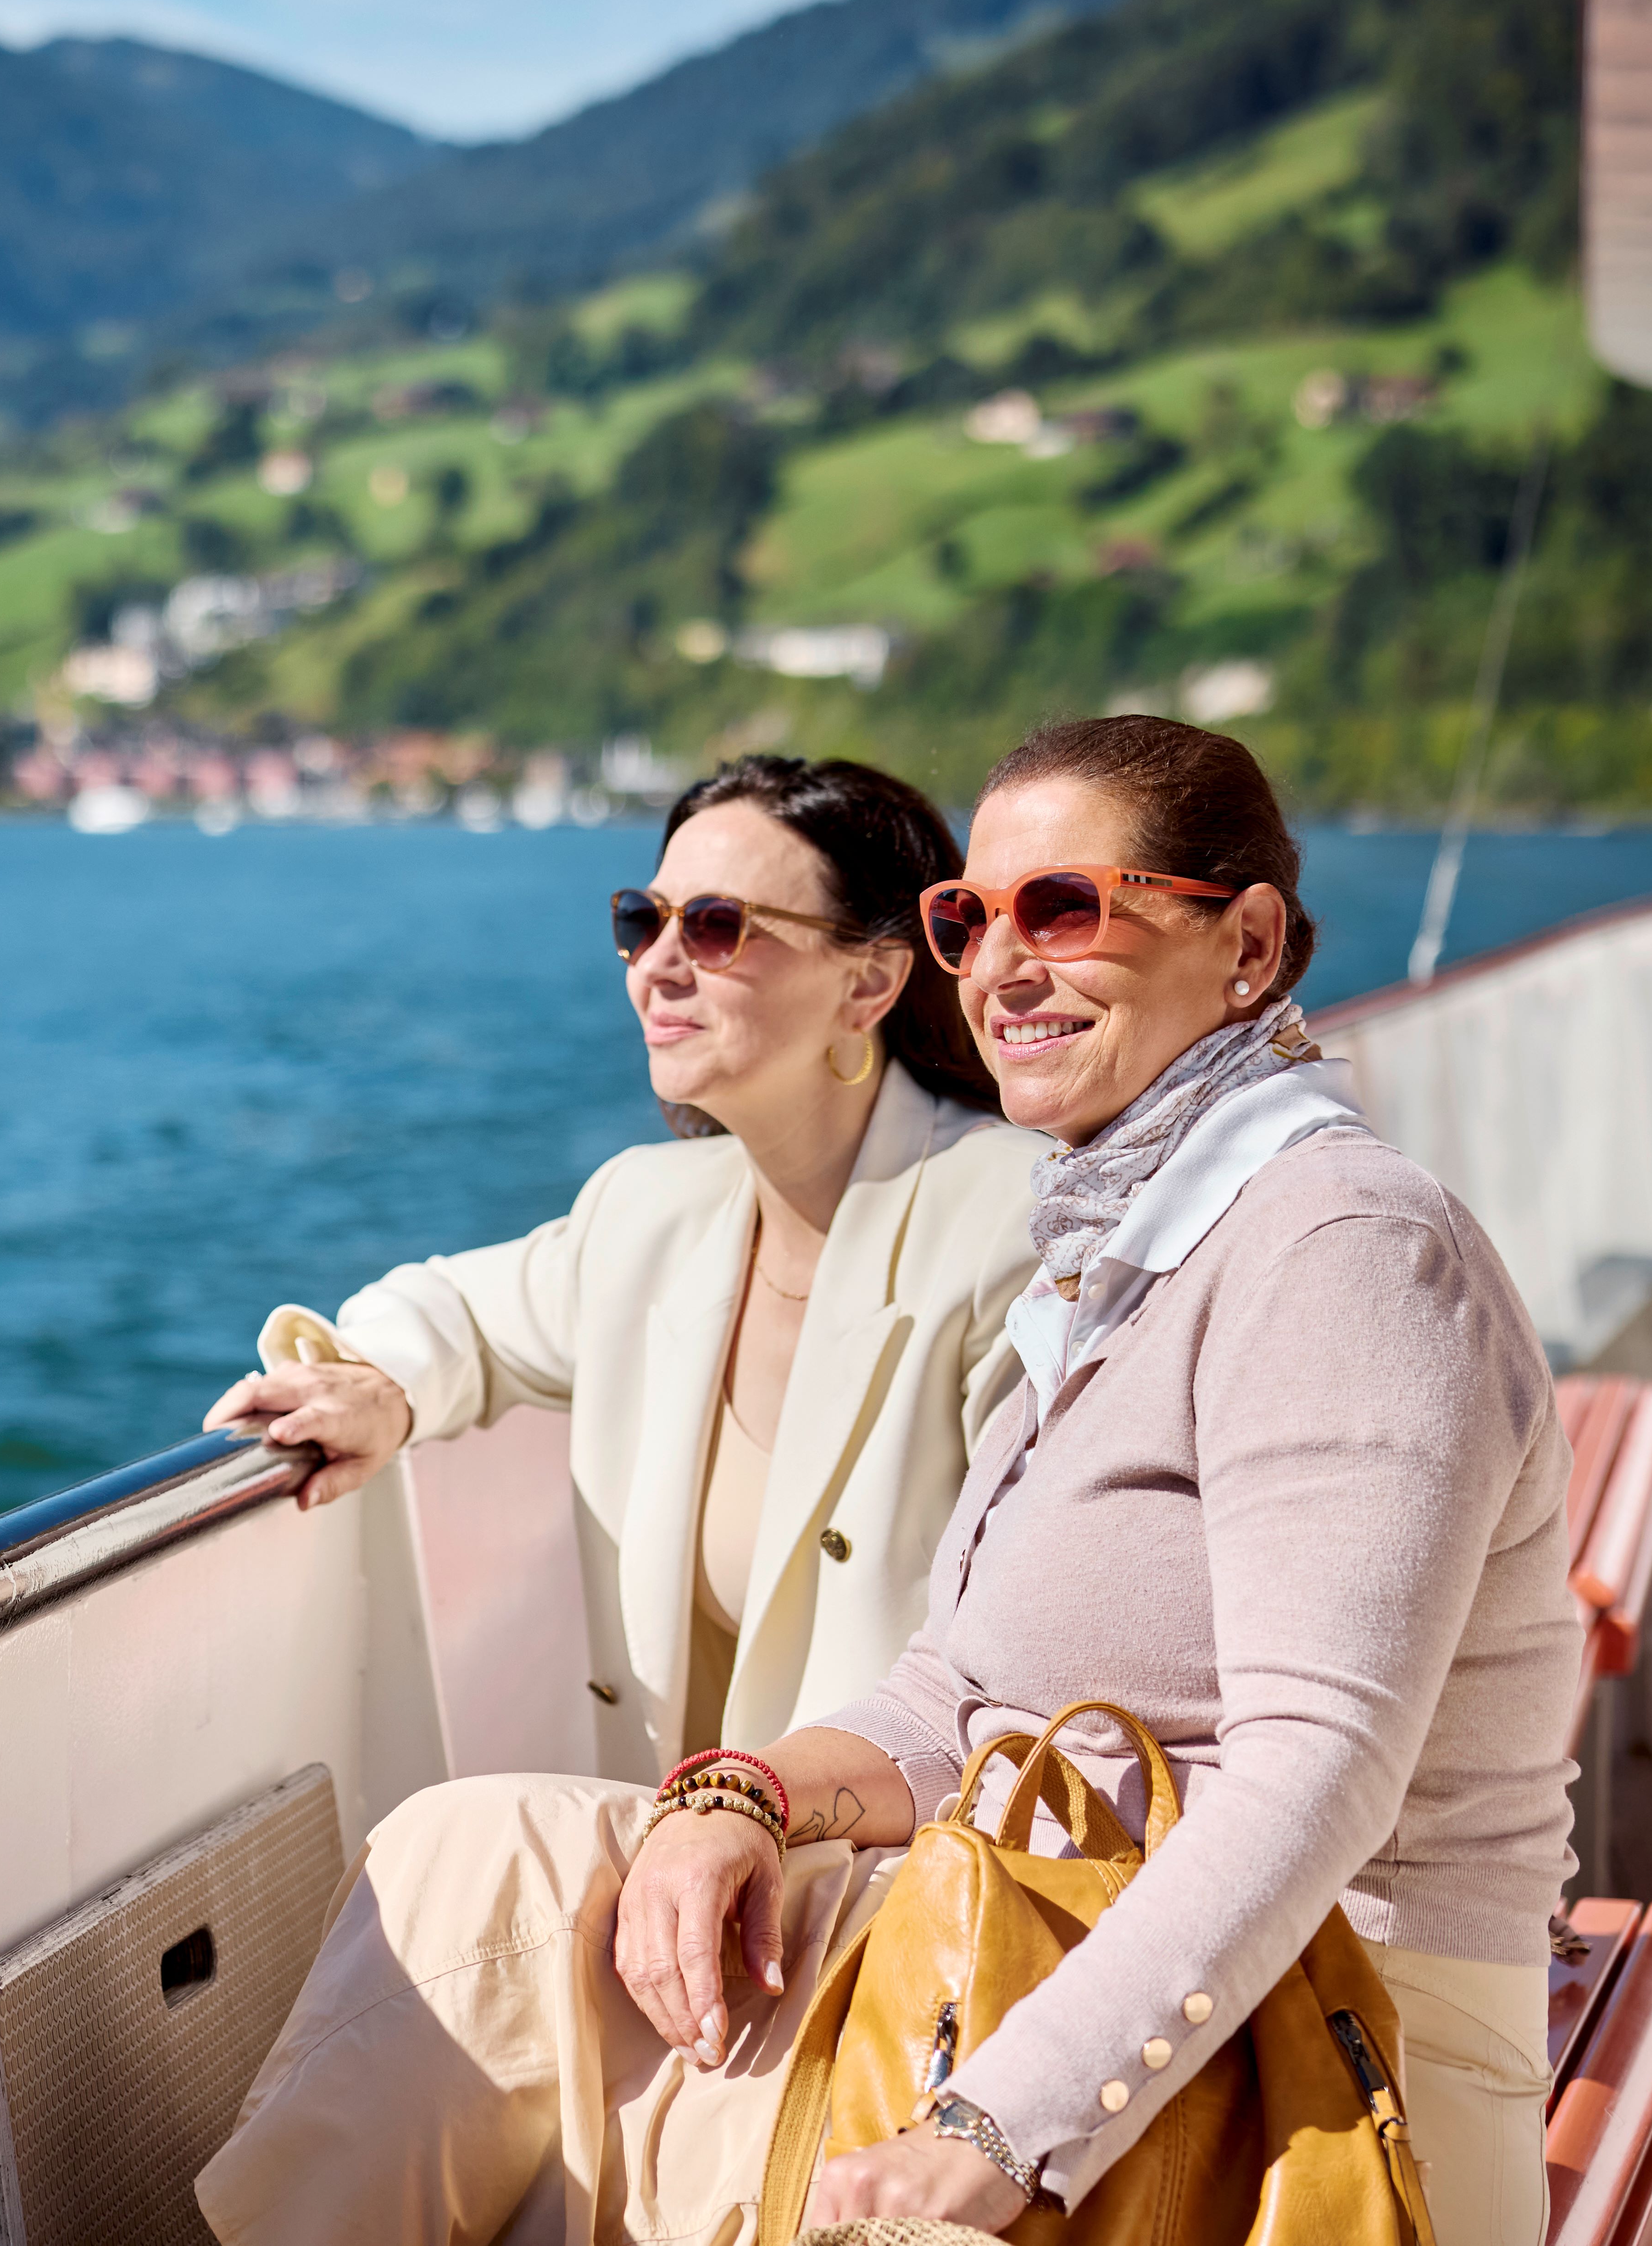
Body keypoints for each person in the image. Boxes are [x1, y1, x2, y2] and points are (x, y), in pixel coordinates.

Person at [200, 717, 1580, 2246]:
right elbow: (949, 1694)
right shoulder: (1114, 1259)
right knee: (473, 1865)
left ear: (1243, 941)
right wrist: (741, 1798)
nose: (994, 964)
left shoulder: (1339, 1249)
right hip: (1007, 1936)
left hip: (1308, 2057)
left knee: (588, 2091)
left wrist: (993, 2127)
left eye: (1062, 907)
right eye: (964, 919)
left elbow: (1310, 1775)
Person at [204, 754, 1041, 1781]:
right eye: (644, 923)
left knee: (456, 1848)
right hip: (690, 1872)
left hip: (898, 1868)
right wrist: (379, 1386)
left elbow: (1031, 1657)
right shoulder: (648, 1214)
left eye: (717, 927)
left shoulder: (1010, 1221)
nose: (657, 965)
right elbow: (458, 1311)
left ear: (869, 979)